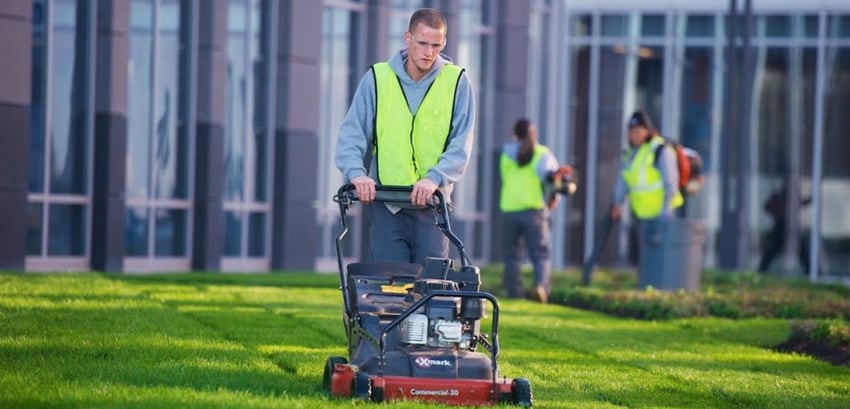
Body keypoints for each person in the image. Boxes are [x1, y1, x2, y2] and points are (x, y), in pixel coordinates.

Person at [335, 8, 476, 263]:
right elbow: (351, 134)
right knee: (390, 288)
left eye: (436, 45)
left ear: (444, 42)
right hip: (387, 205)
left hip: (432, 207)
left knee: (431, 290)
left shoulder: (457, 82)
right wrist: (356, 173)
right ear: (407, 38)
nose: (429, 52)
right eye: (422, 43)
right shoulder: (378, 79)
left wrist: (434, 178)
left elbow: (461, 144)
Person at [499, 119, 563, 304]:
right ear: (533, 134)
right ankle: (540, 286)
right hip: (534, 210)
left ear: (515, 134)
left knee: (511, 255)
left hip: (510, 210)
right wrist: (554, 198)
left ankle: (514, 293)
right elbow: (553, 179)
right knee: (540, 253)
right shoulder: (542, 154)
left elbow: (504, 178)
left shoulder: (506, 153)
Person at [610, 110, 683, 223]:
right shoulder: (629, 154)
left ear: (647, 131)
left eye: (638, 131)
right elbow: (623, 181)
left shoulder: (659, 150)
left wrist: (667, 210)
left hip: (662, 216)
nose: (634, 135)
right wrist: (617, 203)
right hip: (641, 216)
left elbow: (670, 182)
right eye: (632, 131)